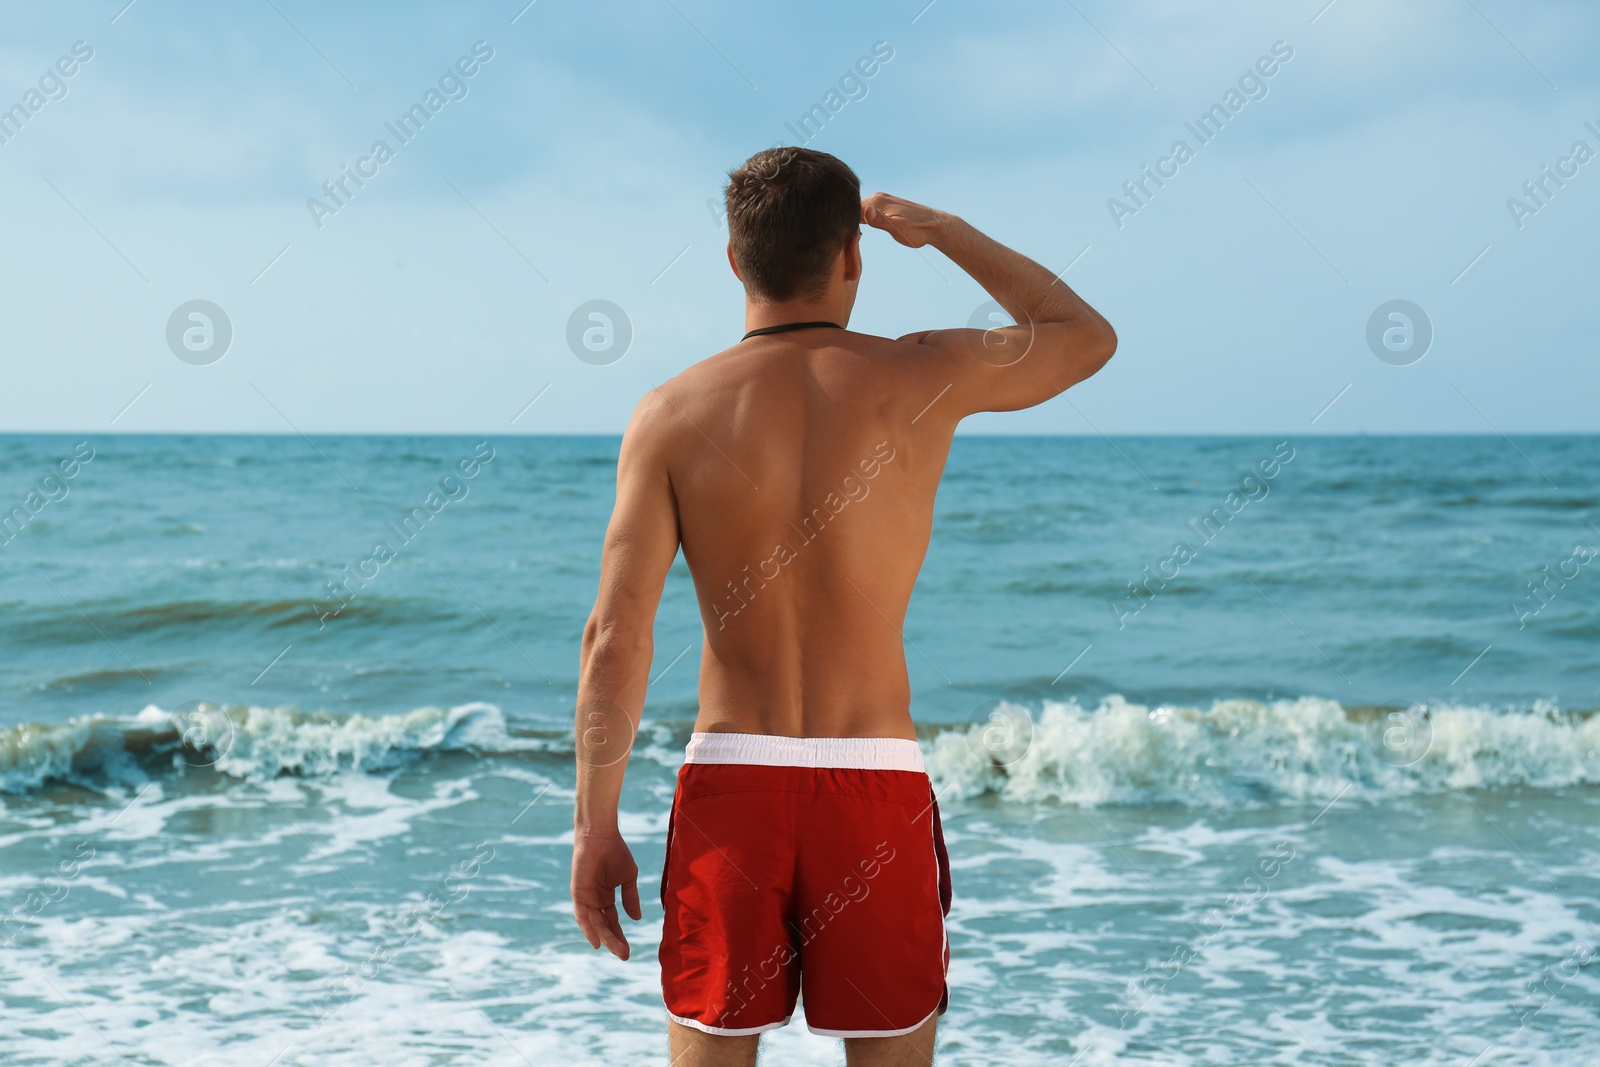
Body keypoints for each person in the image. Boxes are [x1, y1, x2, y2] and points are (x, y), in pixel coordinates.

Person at [570, 147, 1116, 1067]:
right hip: (874, 784)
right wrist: (942, 233)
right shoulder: (923, 375)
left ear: (735, 261)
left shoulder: (669, 413)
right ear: (853, 256)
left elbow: (616, 638)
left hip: (732, 784)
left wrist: (594, 825)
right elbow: (1081, 333)